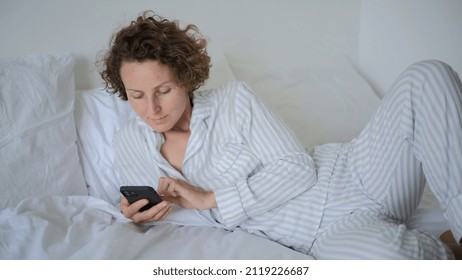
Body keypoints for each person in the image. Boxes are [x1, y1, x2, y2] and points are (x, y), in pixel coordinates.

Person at [99, 11, 462, 259]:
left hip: (353, 173)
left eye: (163, 91)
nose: (152, 109)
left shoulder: (234, 100)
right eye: (136, 96)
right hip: (321, 234)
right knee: (390, 263)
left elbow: (298, 169)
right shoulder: (129, 143)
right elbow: (147, 206)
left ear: (184, 78)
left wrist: (210, 197)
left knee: (427, 77)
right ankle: (445, 250)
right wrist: (133, 214)